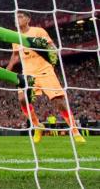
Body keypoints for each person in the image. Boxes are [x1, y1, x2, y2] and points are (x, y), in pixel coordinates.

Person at [7, 11, 85, 143]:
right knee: (22, 99)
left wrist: (52, 61)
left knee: (58, 102)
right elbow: (15, 55)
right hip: (27, 72)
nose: (17, 19)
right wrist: (8, 69)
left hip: (44, 70)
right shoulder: (15, 37)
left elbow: (52, 47)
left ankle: (74, 130)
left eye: (20, 16)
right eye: (16, 17)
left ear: (28, 19)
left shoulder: (38, 31)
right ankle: (37, 126)